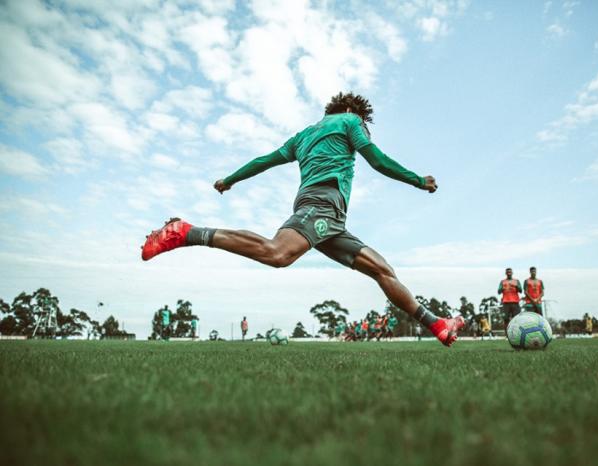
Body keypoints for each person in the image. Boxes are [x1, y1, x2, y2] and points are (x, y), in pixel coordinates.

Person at [141, 92, 464, 346]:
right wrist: (418, 180)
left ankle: (437, 324)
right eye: (365, 121)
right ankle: (186, 232)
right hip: (321, 202)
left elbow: (264, 160)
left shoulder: (304, 135)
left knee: (382, 270)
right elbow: (376, 160)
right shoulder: (349, 123)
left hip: (330, 216)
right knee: (277, 253)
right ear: (355, 113)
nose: (364, 127)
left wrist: (230, 179)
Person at [498, 267, 522, 332]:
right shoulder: (502, 281)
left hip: (515, 302)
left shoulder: (516, 281)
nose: (509, 273)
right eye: (508, 272)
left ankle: (517, 332)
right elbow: (498, 291)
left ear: (512, 273)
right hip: (506, 302)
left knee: (516, 319)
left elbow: (521, 290)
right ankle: (507, 334)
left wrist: (516, 286)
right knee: (506, 319)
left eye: (510, 272)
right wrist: (502, 288)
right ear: (506, 273)